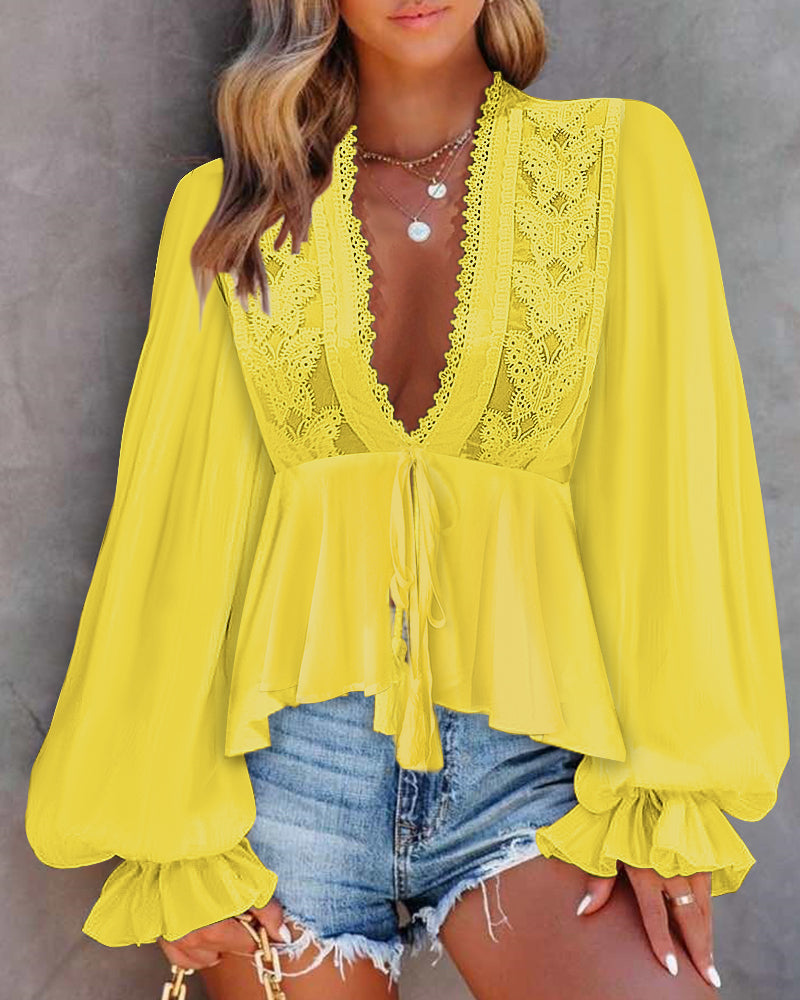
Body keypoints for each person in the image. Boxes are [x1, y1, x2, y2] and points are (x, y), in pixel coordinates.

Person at [25, 1, 790, 998]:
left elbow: (670, 492)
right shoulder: (228, 210)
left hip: (533, 766)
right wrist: (174, 840)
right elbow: (176, 530)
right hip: (284, 784)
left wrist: (667, 797)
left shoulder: (620, 162)